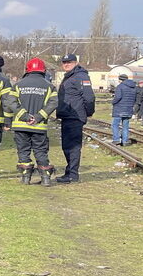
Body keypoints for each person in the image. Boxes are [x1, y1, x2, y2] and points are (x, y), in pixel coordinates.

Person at [10, 58, 58, 185]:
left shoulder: (18, 85)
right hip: (39, 126)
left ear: (27, 70)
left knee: (23, 151)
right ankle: (46, 179)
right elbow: (53, 103)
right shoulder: (50, 87)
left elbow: (11, 103)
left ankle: (26, 178)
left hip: (21, 126)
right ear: (43, 71)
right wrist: (38, 117)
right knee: (41, 151)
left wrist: (25, 116)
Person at [55, 54, 95, 183]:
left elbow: (89, 97)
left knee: (73, 146)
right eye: (64, 62)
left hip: (75, 116)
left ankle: (72, 174)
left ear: (76, 63)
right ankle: (70, 172)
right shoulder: (70, 76)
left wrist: (87, 112)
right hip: (68, 115)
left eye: (69, 62)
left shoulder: (81, 76)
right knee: (67, 146)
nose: (66, 64)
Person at [110, 73, 136, 145]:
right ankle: (125, 141)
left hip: (119, 109)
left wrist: (113, 102)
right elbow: (135, 98)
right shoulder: (133, 87)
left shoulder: (120, 86)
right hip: (129, 108)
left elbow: (118, 97)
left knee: (115, 124)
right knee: (125, 126)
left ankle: (116, 139)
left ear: (120, 80)